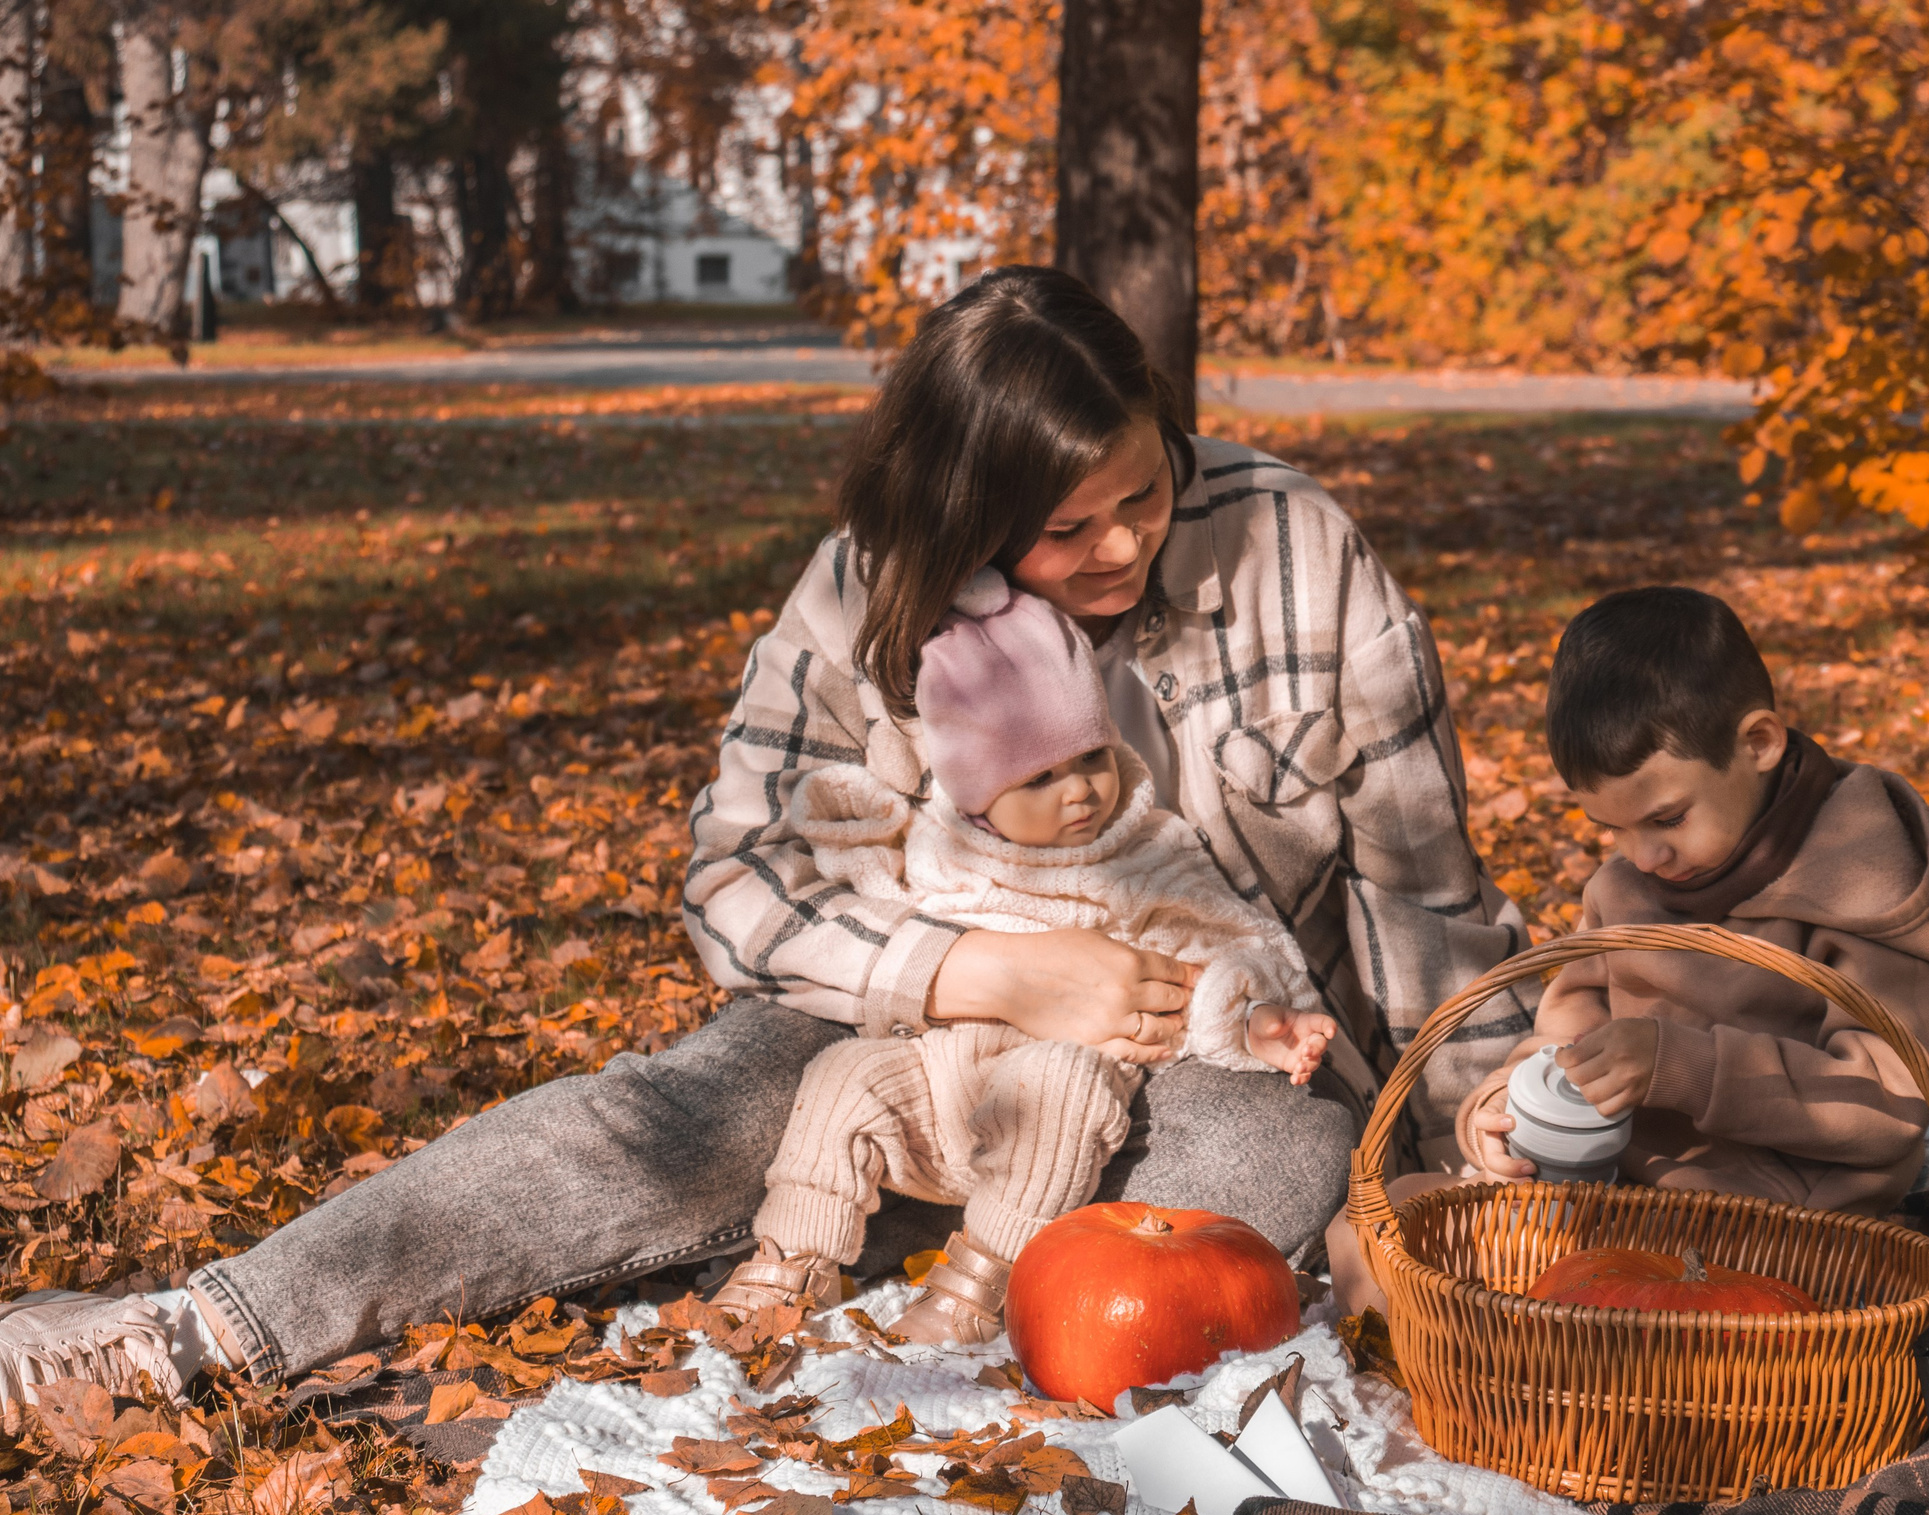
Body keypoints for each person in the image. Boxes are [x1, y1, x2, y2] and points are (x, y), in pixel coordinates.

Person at [0, 266, 1531, 1426]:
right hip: (909, 1026)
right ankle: (201, 1326)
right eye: (1068, 532)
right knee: (680, 1119)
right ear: (968, 519)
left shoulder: (1297, 550)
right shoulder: (866, 591)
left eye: (1144, 492)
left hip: (1213, 1055)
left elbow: (1417, 882)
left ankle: (887, 1284)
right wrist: (981, 970)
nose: (1123, 547)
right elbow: (742, 888)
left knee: (1268, 1157)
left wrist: (1484, 1118)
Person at [1328, 586, 1929, 1315]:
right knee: (1379, 1223)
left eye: (1665, 817)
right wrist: (1506, 1109)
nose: (1642, 856)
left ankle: (1521, 1388)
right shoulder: (1629, 889)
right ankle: (1426, 1395)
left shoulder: (1862, 877)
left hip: (1781, 1238)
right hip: (1612, 1202)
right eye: (1611, 828)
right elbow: (1562, 1037)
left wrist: (1678, 1063)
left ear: (1759, 744)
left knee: (1624, 1328)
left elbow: (1884, 1104)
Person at [716, 566, 1336, 1342]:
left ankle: (985, 1275)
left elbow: (1212, 951)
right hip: (940, 1077)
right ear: (976, 790)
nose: (1079, 792)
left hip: (1064, 1095)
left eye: (1091, 759)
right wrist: (853, 834)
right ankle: (792, 1256)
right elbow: (878, 899)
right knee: (841, 1076)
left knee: (1061, 1082)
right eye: (1040, 776)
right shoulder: (944, 845)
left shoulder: (1146, 852)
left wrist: (1252, 1023)